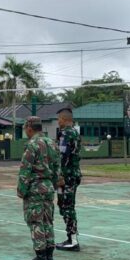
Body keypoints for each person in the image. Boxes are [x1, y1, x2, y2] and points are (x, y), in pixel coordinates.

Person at [17, 116, 61, 260]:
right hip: (48, 187)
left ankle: (41, 257)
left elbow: (25, 170)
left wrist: (21, 190)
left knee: (36, 222)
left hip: (35, 188)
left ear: (29, 128)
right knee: (47, 221)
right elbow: (57, 168)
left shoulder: (32, 145)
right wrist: (53, 185)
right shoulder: (52, 143)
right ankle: (49, 257)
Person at [55, 108, 82, 252]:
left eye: (59, 119)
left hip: (67, 177)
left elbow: (62, 157)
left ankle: (73, 240)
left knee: (67, 206)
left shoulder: (66, 133)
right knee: (64, 205)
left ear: (65, 120)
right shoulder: (75, 133)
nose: (58, 122)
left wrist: (60, 176)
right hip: (72, 175)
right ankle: (71, 237)